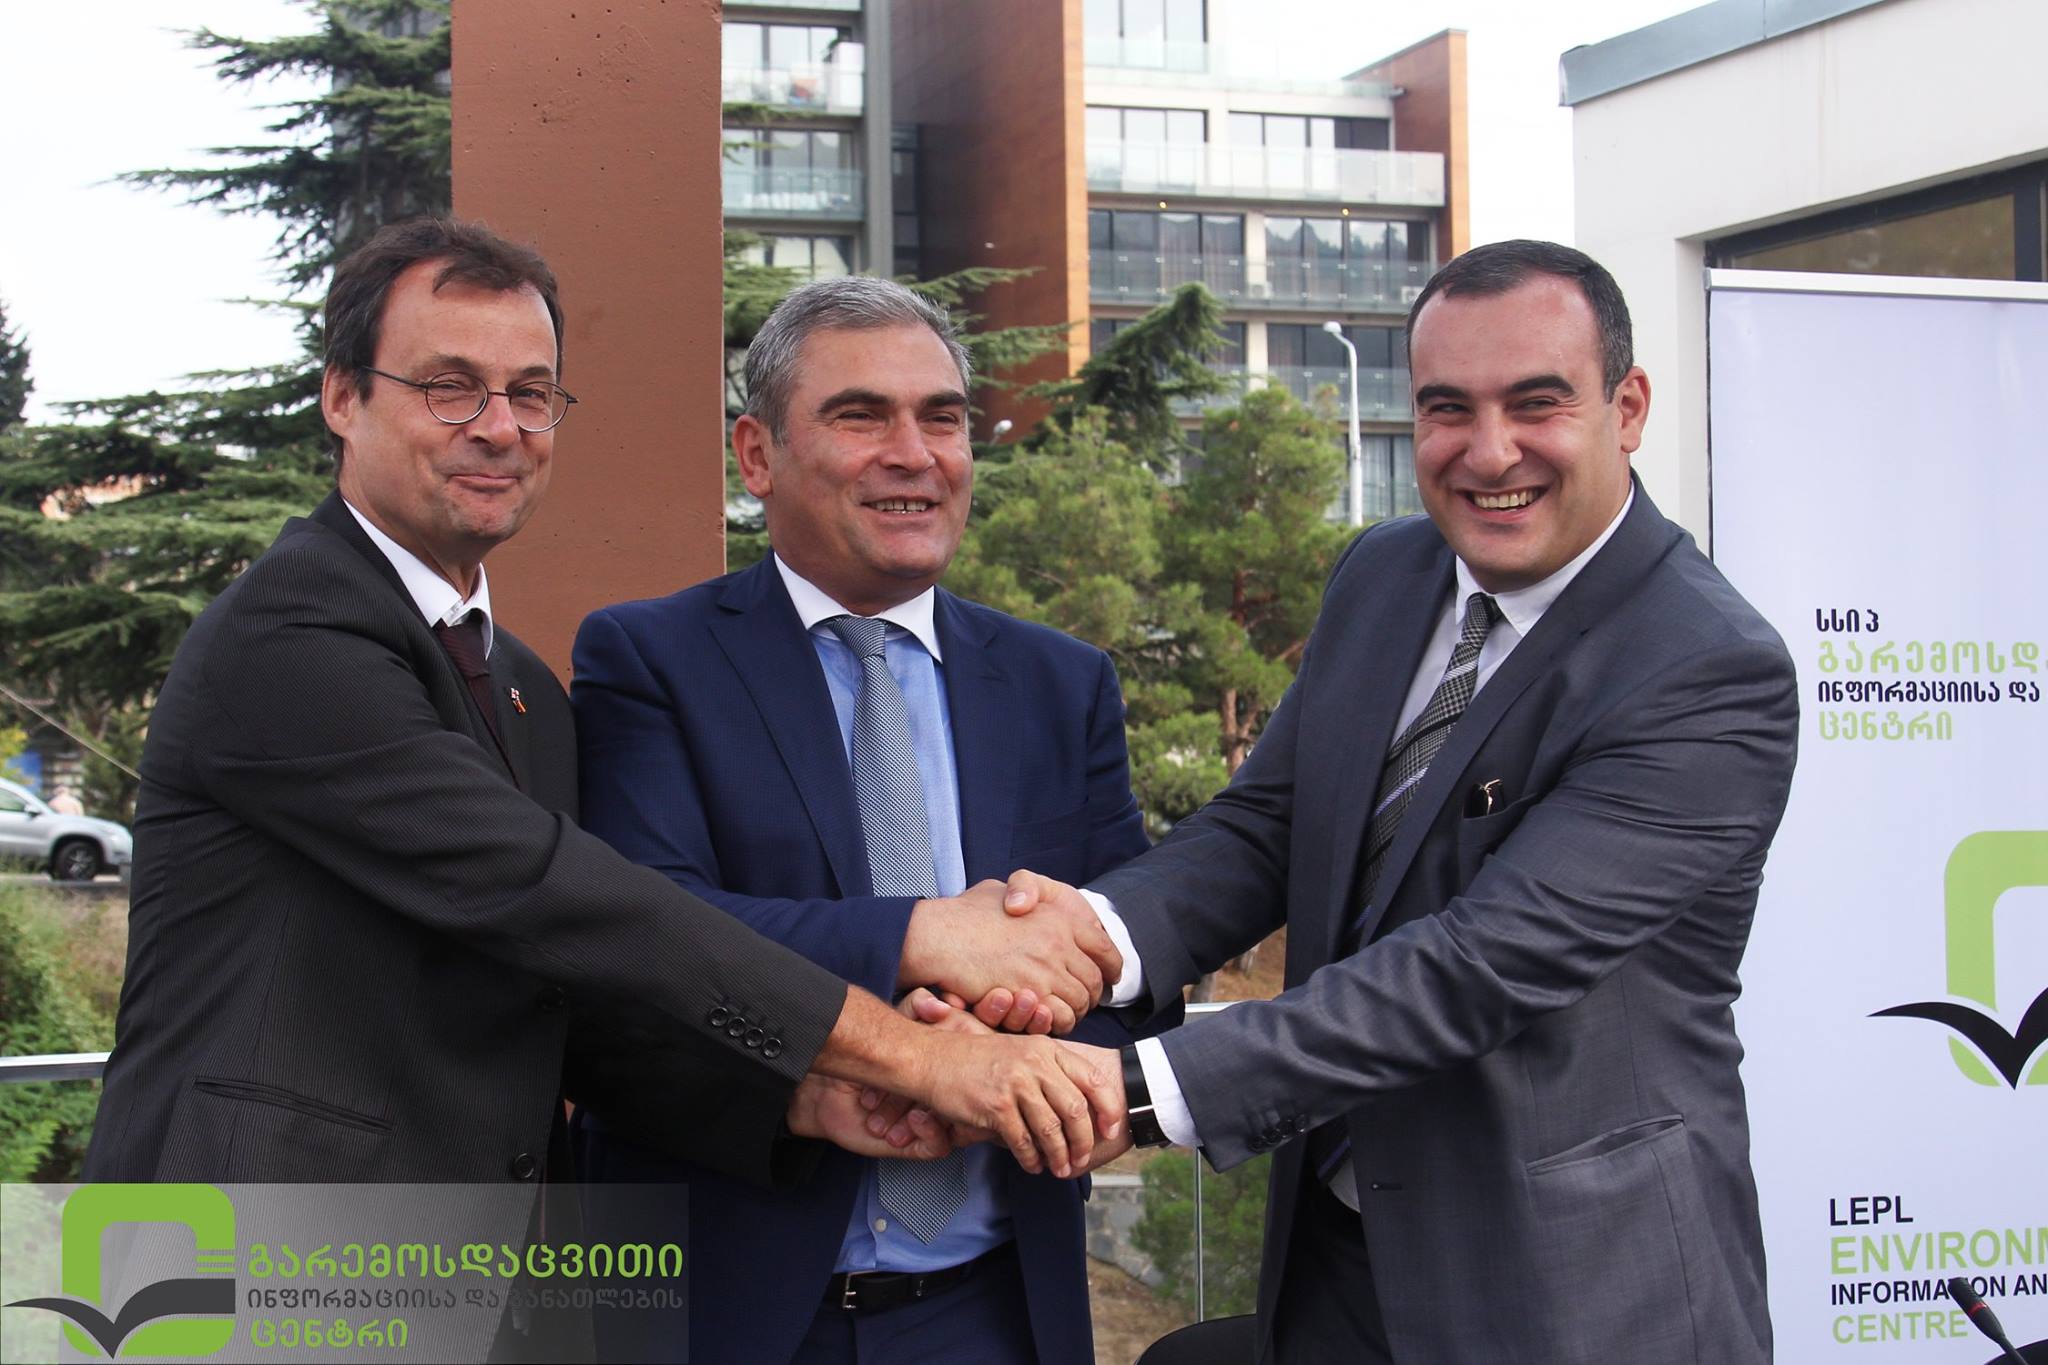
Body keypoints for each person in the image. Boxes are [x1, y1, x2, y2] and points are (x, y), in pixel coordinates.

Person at [83, 219, 1121, 1228]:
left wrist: (801, 1099)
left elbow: (564, 996)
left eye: (531, 394)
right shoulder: (286, 632)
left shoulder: (520, 683)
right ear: (344, 398)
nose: (499, 428)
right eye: (450, 386)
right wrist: (923, 1052)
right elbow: (554, 897)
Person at [1006, 240, 1799, 1363]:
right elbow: (1271, 825)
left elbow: (1477, 966)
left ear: (1626, 408)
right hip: (1335, 1257)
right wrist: (1084, 941)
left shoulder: (1706, 669)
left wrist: (1134, 1093)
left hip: (1571, 1292)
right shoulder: (1384, 572)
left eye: (1536, 403)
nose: (1489, 451)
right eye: (1446, 408)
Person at [570, 275, 1170, 1364]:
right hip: (729, 1311)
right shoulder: (648, 661)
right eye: (861, 417)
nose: (914, 454)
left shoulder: (1061, 683)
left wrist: (1013, 1050)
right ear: (756, 455)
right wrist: (920, 942)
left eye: (942, 418)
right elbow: (649, 933)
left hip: (993, 1313)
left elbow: (1136, 965)